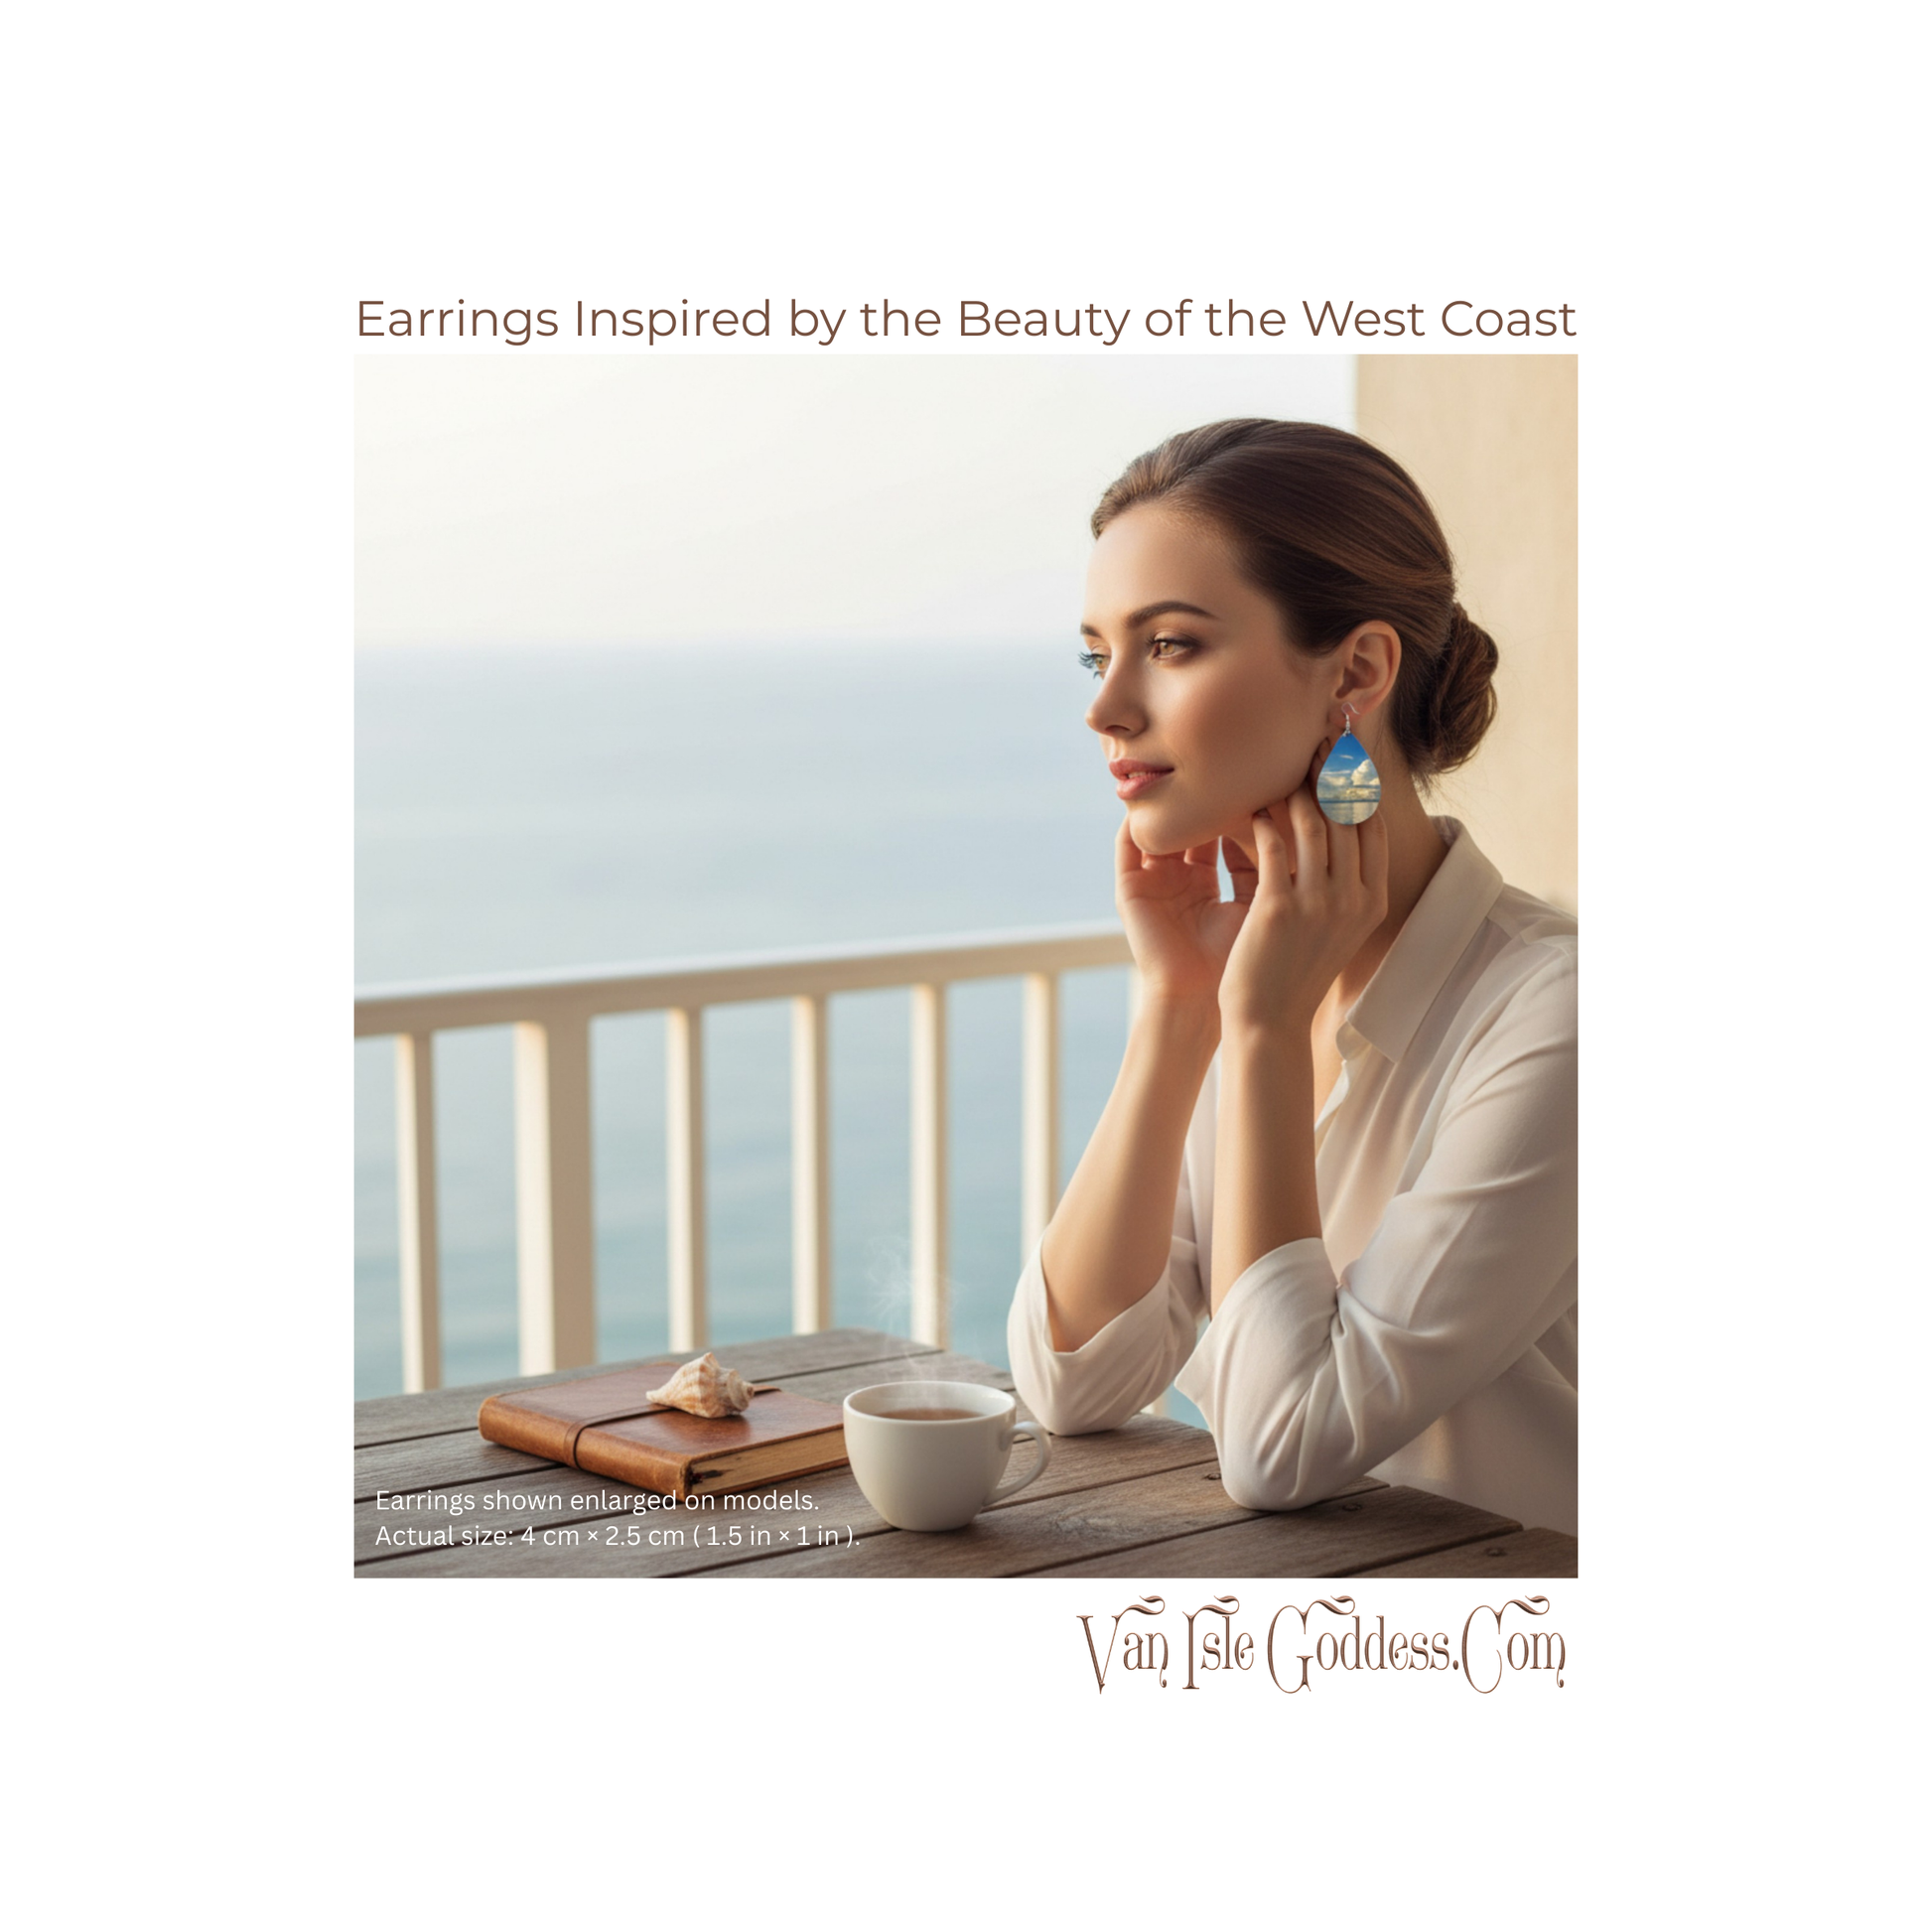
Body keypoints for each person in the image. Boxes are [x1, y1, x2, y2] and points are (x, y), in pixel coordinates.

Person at [1006, 418, 1577, 1536]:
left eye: (1167, 645)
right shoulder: (1249, 974)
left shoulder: (1558, 1017)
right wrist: (1177, 1010)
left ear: (1354, 672)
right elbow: (1070, 1383)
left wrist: (1259, 1029)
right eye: (1096, 651)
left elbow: (1279, 1445)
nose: (1104, 706)